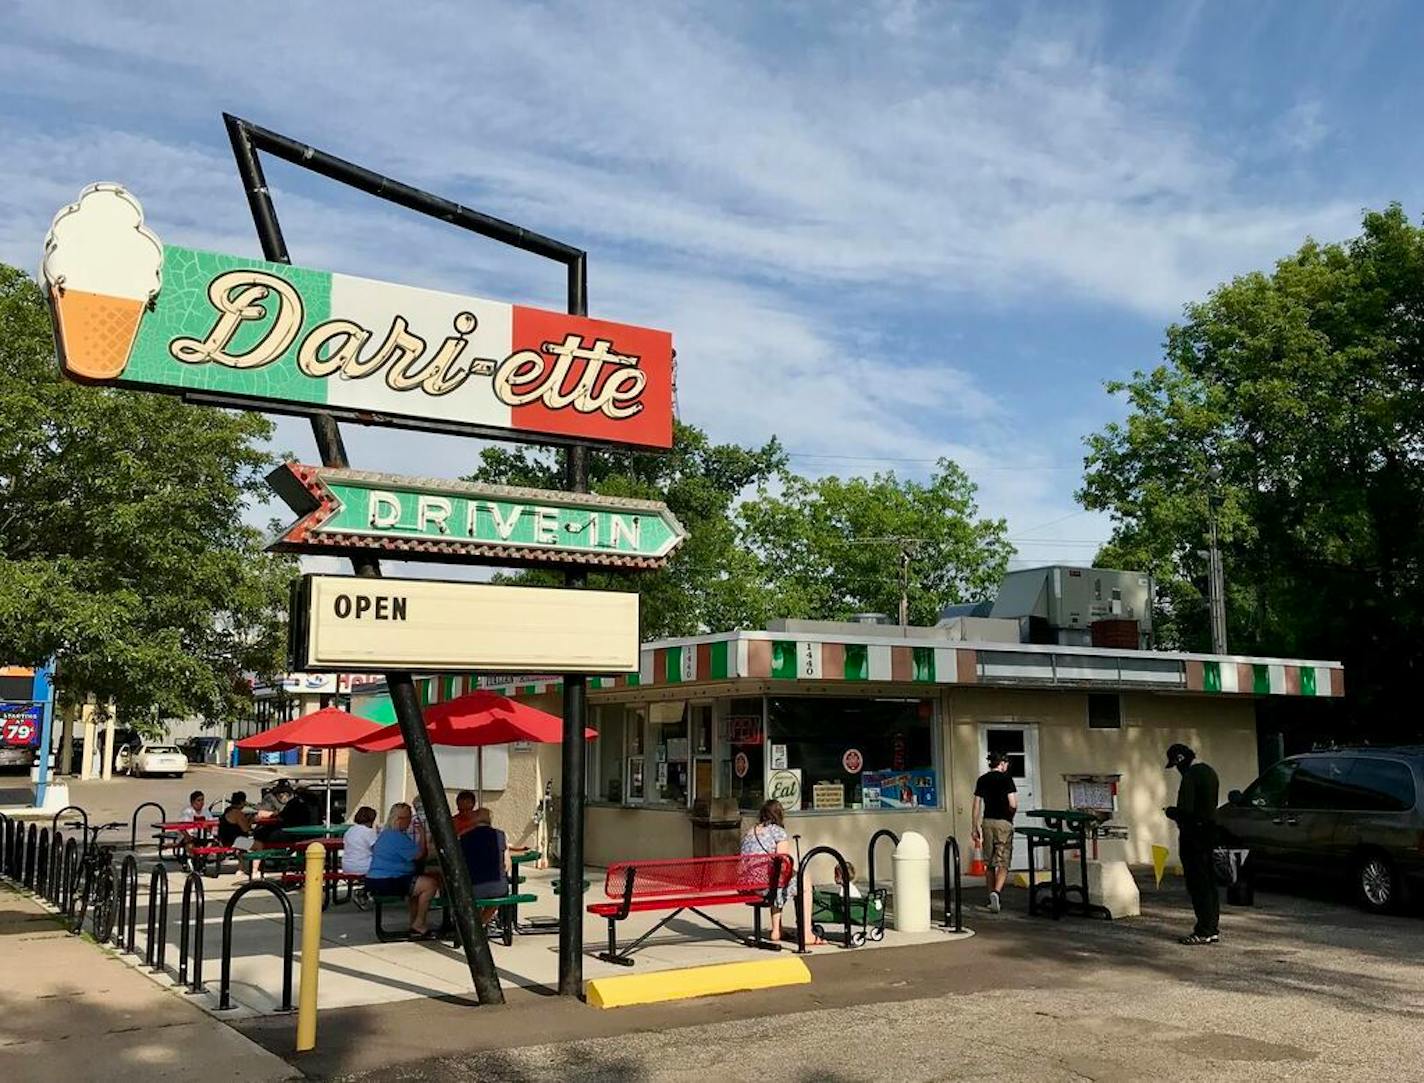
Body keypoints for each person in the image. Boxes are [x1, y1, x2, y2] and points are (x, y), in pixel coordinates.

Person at [741, 799, 822, 944]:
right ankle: (807, 933)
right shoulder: (778, 832)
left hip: (748, 886)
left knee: (777, 881)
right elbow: (782, 864)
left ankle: (777, 930)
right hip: (766, 886)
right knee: (804, 881)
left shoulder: (750, 832)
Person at [1165, 742, 1221, 945]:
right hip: (1209, 832)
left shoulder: (1191, 776)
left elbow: (1186, 810)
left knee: (1197, 883)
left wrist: (1171, 812)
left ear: (1180, 759)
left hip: (1193, 835)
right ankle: (1212, 927)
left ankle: (1203, 929)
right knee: (1209, 883)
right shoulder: (1209, 772)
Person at [366, 802, 441, 939]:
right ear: (399, 819)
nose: (410, 821)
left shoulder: (386, 834)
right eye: (408, 818)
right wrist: (423, 835)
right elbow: (420, 854)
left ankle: (414, 922)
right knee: (430, 884)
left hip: (376, 879)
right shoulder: (397, 837)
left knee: (416, 887)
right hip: (388, 880)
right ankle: (419, 924)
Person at [972, 751, 1018, 914]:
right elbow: (1013, 803)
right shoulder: (1007, 779)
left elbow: (976, 804)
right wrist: (1009, 816)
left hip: (987, 822)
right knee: (1003, 861)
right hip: (1003, 823)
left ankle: (990, 896)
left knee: (989, 862)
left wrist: (974, 826)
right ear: (1002, 763)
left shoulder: (982, 780)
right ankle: (996, 893)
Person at [458, 807, 511, 926]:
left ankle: (474, 925)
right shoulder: (500, 835)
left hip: (472, 888)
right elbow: (507, 865)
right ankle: (481, 923)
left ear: (474, 820)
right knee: (496, 896)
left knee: (473, 894)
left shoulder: (464, 837)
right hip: (498, 887)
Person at [341, 806, 380, 877]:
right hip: (363, 867)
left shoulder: (350, 830)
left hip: (346, 867)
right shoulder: (369, 832)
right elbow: (378, 850)